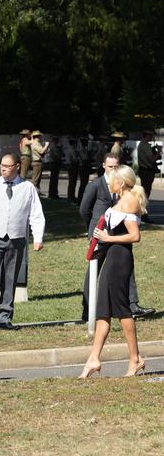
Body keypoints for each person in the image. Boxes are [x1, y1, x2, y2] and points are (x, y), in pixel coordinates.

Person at [79, 165, 148, 378]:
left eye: (113, 180)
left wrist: (108, 238)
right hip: (111, 256)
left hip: (120, 259)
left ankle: (135, 358)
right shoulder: (120, 200)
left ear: (122, 182)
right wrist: (101, 242)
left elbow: (134, 236)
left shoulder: (129, 201)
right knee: (104, 310)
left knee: (122, 308)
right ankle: (93, 359)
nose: (109, 182)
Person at [0, 153, 45, 332]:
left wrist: (38, 237)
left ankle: (4, 317)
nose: (3, 169)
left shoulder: (27, 188)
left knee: (10, 278)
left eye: (7, 166)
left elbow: (36, 213)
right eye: (1, 165)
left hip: (17, 238)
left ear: (17, 167)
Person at [79, 154, 155, 320]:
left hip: (118, 235)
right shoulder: (96, 185)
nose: (113, 169)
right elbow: (84, 210)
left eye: (116, 166)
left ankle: (132, 304)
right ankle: (88, 308)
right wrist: (92, 230)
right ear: (104, 166)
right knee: (94, 270)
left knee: (125, 269)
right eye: (110, 166)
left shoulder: (125, 191)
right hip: (100, 234)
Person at [137, 130, 160, 200]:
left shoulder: (141, 144)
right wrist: (159, 151)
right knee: (146, 191)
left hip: (143, 170)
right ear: (147, 135)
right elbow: (152, 159)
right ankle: (143, 206)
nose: (152, 137)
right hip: (147, 171)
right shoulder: (146, 145)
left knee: (144, 189)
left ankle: (142, 205)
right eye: (151, 135)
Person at [77, 138, 92, 204]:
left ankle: (81, 199)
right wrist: (90, 156)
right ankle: (80, 200)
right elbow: (85, 159)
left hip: (84, 167)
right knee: (83, 184)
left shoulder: (84, 150)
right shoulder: (82, 150)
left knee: (84, 184)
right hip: (83, 167)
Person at [65, 138, 80, 203]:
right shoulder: (72, 150)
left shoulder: (68, 149)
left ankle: (70, 196)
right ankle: (71, 197)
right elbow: (75, 159)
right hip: (72, 166)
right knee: (72, 182)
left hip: (69, 165)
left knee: (71, 182)